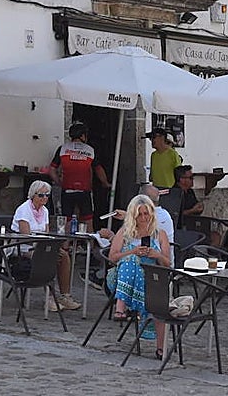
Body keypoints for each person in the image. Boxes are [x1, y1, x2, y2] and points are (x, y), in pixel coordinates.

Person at [108, 194, 171, 359]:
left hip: (150, 280)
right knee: (132, 260)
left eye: (146, 214)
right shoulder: (125, 232)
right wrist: (132, 251)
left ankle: (160, 347)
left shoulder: (160, 234)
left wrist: (156, 254)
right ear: (133, 216)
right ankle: (120, 305)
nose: (143, 218)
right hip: (121, 278)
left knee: (154, 288)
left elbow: (168, 264)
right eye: (139, 214)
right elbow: (112, 257)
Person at [10, 179, 82, 312]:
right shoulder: (24, 209)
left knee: (64, 256)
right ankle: (50, 298)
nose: (44, 198)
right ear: (33, 195)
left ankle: (65, 296)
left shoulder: (45, 211)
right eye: (41, 195)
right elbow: (26, 236)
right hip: (23, 247)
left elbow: (46, 233)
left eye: (47, 195)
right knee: (47, 258)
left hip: (39, 246)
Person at [50, 122, 111, 232]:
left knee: (67, 219)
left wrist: (59, 182)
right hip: (84, 190)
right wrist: (105, 183)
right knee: (88, 219)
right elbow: (98, 169)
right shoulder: (90, 150)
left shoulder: (62, 149)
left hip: (67, 189)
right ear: (83, 136)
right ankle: (89, 246)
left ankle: (66, 246)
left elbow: (52, 169)